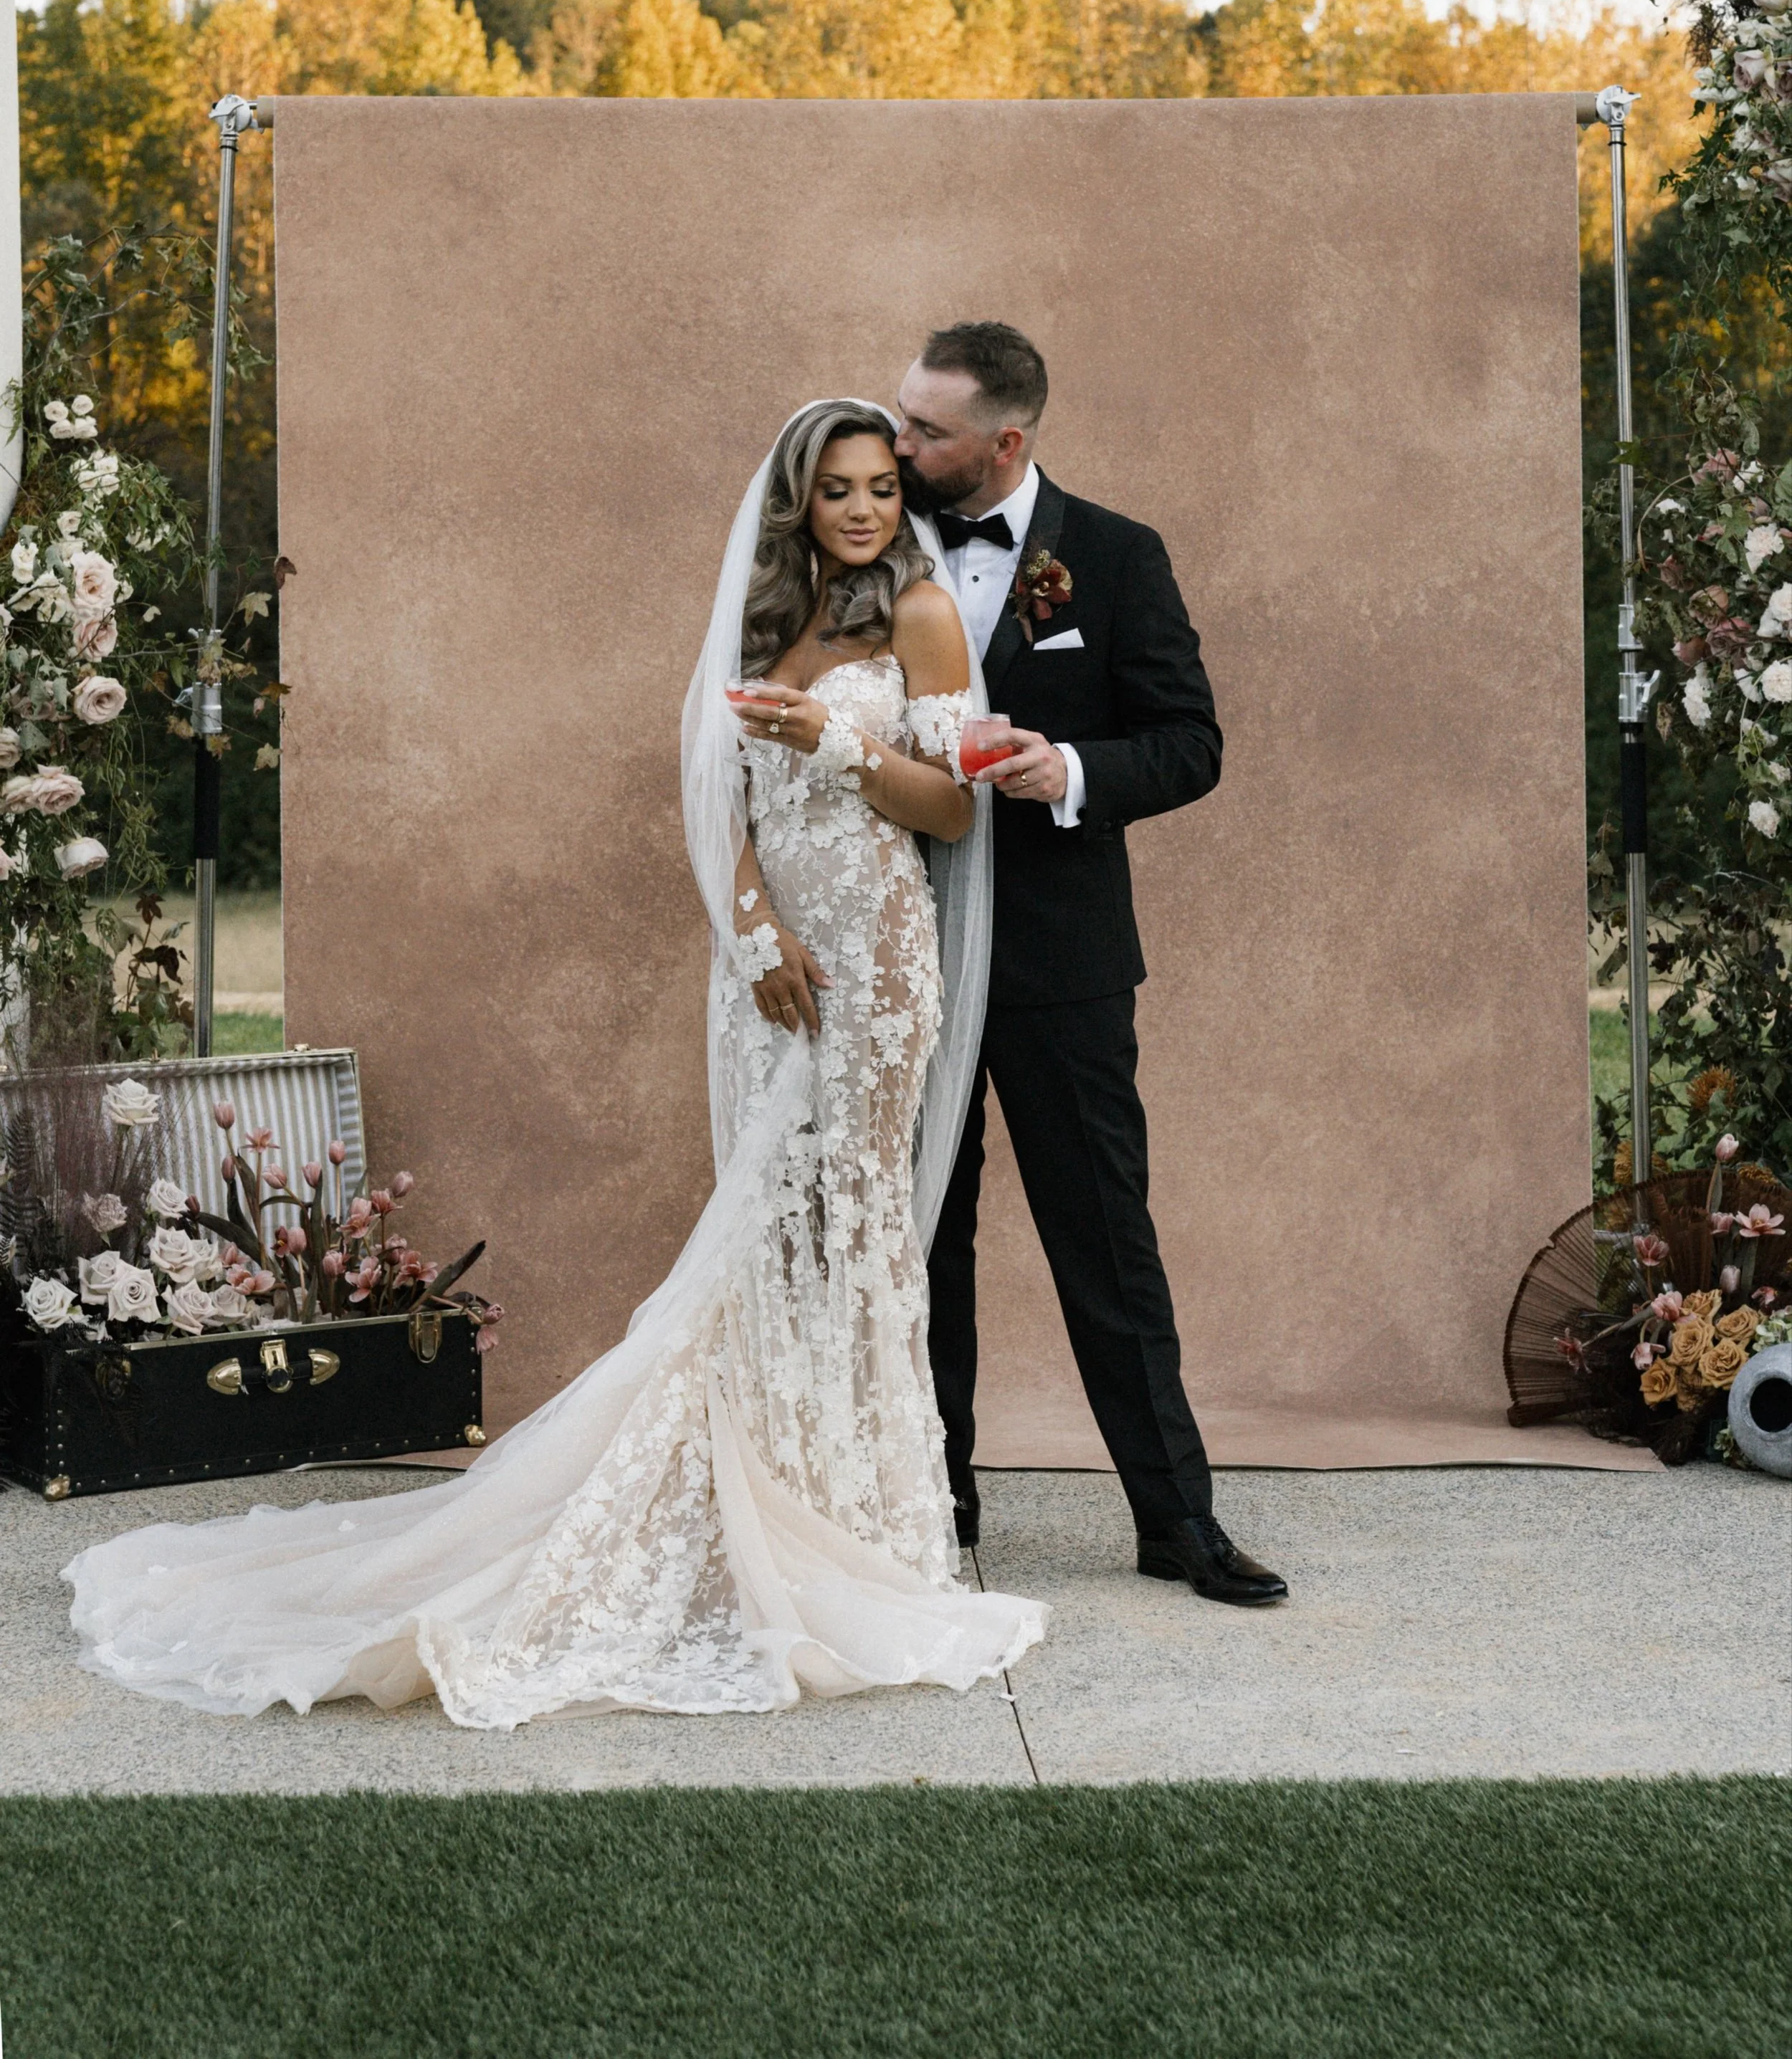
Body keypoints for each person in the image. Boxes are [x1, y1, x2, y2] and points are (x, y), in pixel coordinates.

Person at [63, 401, 1045, 1724]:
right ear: (799, 504)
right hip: (770, 970)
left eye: (881, 486)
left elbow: (953, 809)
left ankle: (859, 1518)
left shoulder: (919, 615)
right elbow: (720, 803)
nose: (864, 509)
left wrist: (843, 745)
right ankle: (761, 1499)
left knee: (850, 1226)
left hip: (874, 965)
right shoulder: (766, 625)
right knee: (767, 1232)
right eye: (838, 490)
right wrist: (754, 932)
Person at [895, 323, 1287, 1607]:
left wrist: (1067, 769)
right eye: (902, 418)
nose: (900, 446)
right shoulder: (873, 540)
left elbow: (1190, 741)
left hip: (1062, 963)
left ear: (1005, 440)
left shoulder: (1117, 556)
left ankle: (1178, 1519)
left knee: (1107, 1241)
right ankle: (934, 1507)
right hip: (901, 955)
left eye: (929, 430)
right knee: (921, 1239)